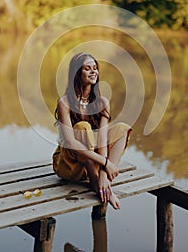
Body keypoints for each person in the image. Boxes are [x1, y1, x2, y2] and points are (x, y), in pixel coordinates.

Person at [53, 52, 132, 210]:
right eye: (87, 68)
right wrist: (105, 162)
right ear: (77, 73)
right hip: (69, 164)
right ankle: (100, 186)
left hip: (94, 163)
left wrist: (104, 171)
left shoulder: (102, 102)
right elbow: (70, 142)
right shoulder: (65, 102)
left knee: (122, 128)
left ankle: (103, 181)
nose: (93, 71)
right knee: (83, 128)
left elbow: (103, 140)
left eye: (95, 68)